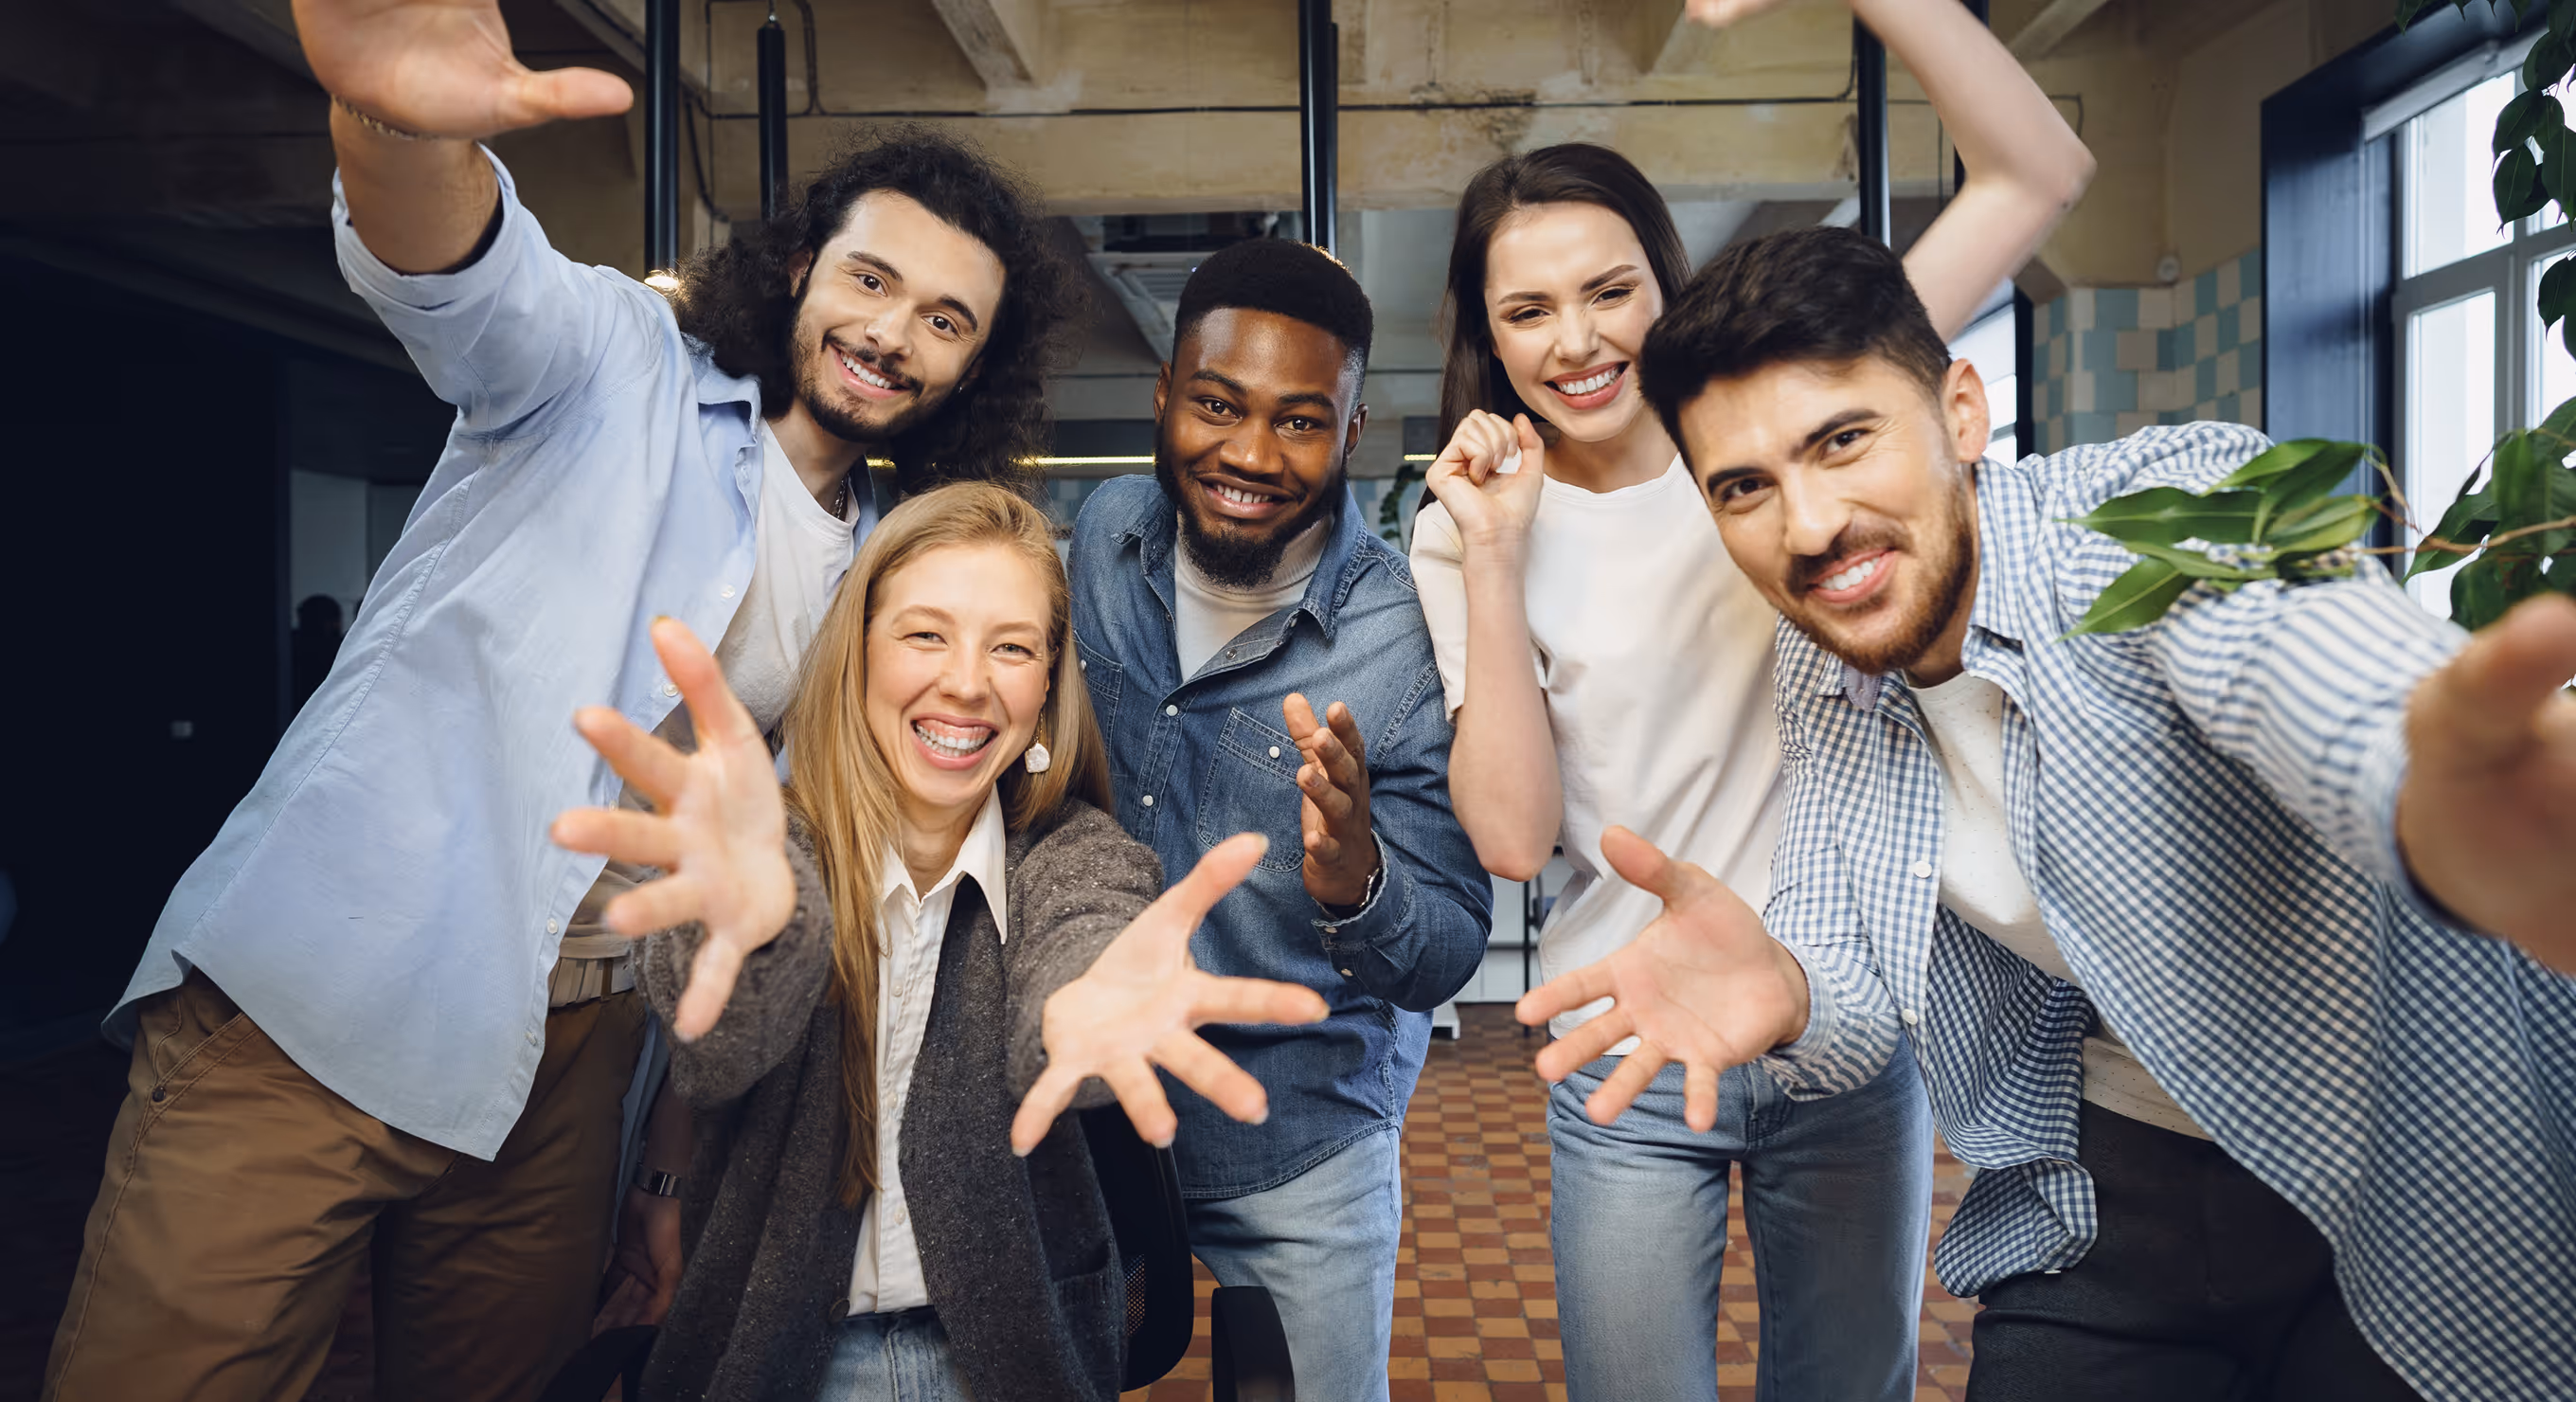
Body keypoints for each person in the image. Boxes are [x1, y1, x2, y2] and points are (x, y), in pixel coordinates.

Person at [42, 0, 1079, 1396]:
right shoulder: (611, 367)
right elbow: (463, 274)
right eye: (873, 282)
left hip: (576, 1063)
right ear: (797, 272)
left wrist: (664, 1164)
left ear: (975, 366)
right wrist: (396, 121)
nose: (894, 335)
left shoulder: (879, 582)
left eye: (945, 320)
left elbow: (753, 882)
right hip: (320, 1003)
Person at [1515, 223, 2576, 1401]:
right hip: (2109, 1189)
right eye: (1745, 488)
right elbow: (1854, 1001)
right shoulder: (1821, 665)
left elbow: (2288, 653)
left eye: (1844, 440)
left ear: (1959, 412)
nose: (1808, 527)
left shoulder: (2144, 518)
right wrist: (1791, 993)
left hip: (2401, 1160)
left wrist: (2420, 783)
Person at [1407, 1, 2090, 1394]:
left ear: (1665, 280)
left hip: (1851, 1014)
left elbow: (2037, 174)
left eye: (1609, 289)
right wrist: (1494, 553)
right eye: (1525, 311)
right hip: (1629, 1036)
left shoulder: (1773, 418)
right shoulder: (1472, 525)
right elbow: (1509, 842)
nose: (1576, 340)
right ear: (1485, 335)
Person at [551, 483, 1327, 1402]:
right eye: (925, 634)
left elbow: (1082, 952)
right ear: (858, 656)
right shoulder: (764, 856)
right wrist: (762, 931)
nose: (966, 681)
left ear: (1043, 692)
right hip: (773, 1363)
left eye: (1010, 647)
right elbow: (717, 1054)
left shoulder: (1081, 857)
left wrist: (1087, 1013)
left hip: (1007, 1360)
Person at [1065, 237, 1493, 1401]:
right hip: (1091, 1107)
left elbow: (1446, 947)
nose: (1249, 454)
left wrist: (1356, 878)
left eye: (1300, 421)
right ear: (1165, 395)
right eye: (1216, 404)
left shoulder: (1400, 635)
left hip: (1299, 1132)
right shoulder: (1103, 537)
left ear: (1351, 434)